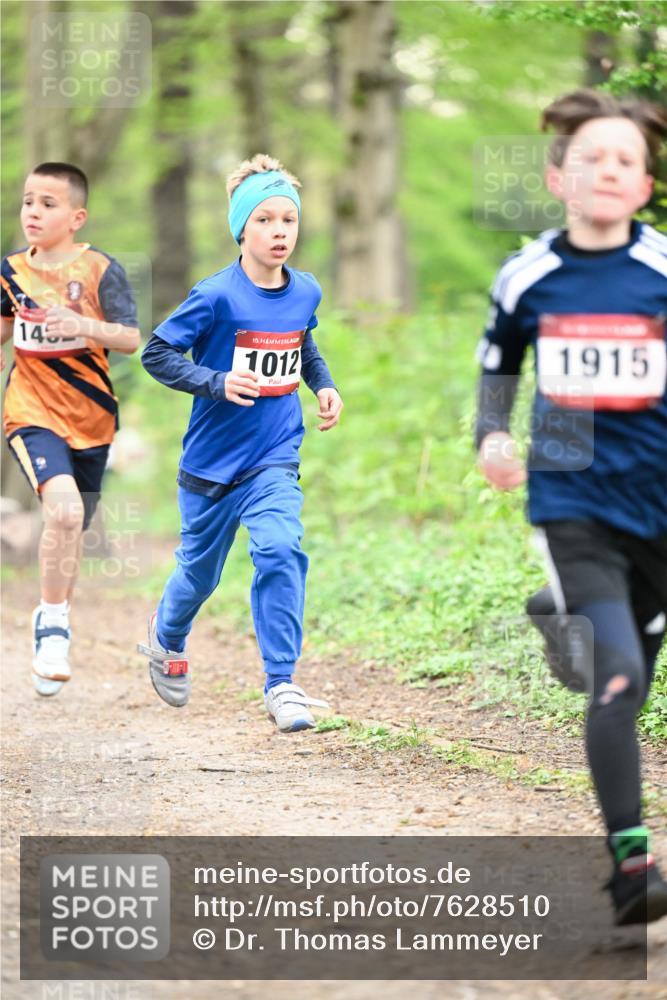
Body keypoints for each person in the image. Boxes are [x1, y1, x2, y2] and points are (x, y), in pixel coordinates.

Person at [475, 89, 667, 926]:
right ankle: (631, 865)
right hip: (571, 499)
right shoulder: (530, 275)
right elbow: (497, 367)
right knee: (618, 681)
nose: (608, 170)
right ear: (559, 177)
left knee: (634, 664)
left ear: (646, 183)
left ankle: (554, 612)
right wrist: (490, 438)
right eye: (591, 156)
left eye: (625, 158)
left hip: (657, 504)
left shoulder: (661, 269)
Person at [139, 154, 343, 732]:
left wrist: (324, 387)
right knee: (198, 577)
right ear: (241, 228)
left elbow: (304, 348)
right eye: (265, 220)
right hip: (209, 467)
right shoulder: (215, 296)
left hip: (273, 459)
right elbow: (156, 354)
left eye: (289, 221)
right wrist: (216, 382)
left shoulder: (306, 291)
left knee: (279, 547)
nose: (280, 232)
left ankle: (282, 683)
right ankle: (166, 635)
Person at [1, 162, 140, 697]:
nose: (33, 212)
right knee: (64, 510)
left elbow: (129, 337)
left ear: (76, 217)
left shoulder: (101, 269)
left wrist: (82, 325)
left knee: (70, 529)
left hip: (92, 417)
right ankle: (53, 627)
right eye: (28, 201)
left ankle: (53, 612)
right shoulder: (10, 271)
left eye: (48, 204)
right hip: (30, 410)